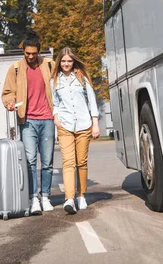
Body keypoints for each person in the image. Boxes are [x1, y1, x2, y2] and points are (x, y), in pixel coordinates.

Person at [1, 35, 55, 215]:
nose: (30, 57)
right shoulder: (16, 68)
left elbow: (63, 79)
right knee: (30, 161)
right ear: (23, 51)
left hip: (48, 119)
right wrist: (9, 102)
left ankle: (45, 196)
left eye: (33, 53)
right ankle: (33, 199)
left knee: (47, 162)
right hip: (27, 120)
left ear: (39, 52)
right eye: (27, 53)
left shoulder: (49, 65)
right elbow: (8, 92)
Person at [50, 47, 100, 214]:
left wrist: (95, 123)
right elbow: (55, 103)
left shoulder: (82, 78)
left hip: (84, 124)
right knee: (68, 162)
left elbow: (92, 101)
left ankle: (81, 195)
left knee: (81, 162)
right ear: (59, 62)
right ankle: (69, 199)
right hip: (65, 125)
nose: (66, 64)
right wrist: (56, 116)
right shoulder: (54, 80)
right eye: (63, 61)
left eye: (69, 61)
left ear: (73, 62)